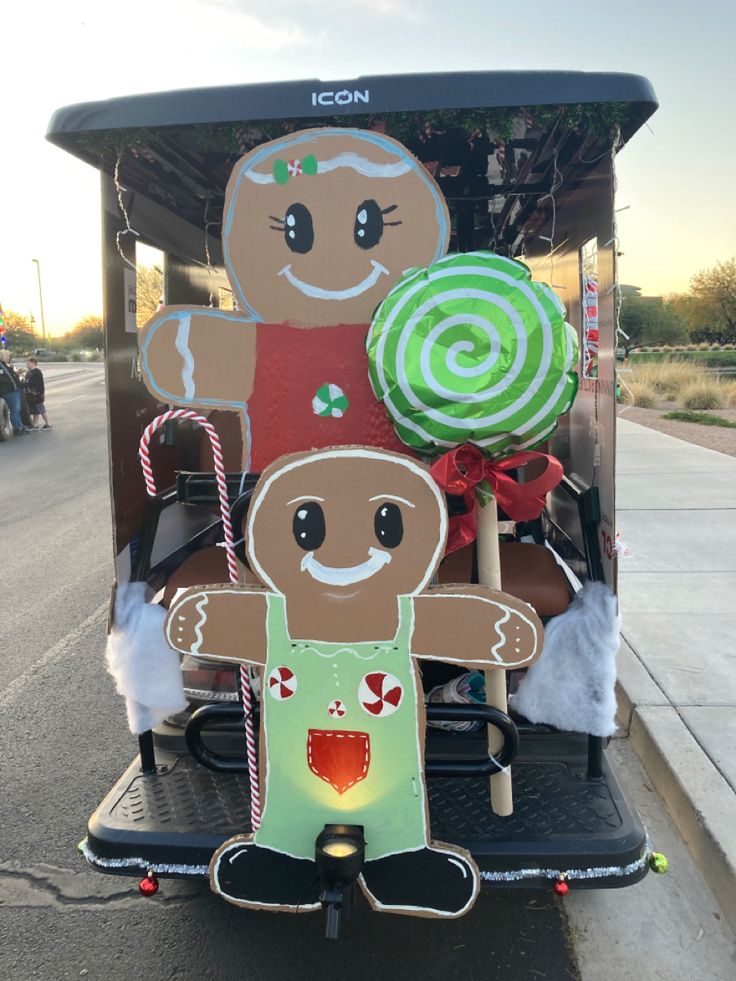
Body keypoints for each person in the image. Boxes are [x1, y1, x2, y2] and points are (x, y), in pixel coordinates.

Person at [0, 350, 27, 435]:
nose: (9, 357)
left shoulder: (5, 365)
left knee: (17, 410)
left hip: (13, 390)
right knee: (15, 410)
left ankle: (20, 426)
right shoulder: (1, 366)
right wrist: (11, 382)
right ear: (3, 356)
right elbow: (3, 378)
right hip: (9, 391)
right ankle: (17, 428)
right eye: (8, 356)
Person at [24, 357, 52, 430]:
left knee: (41, 409)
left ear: (33, 363)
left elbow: (38, 384)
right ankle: (35, 424)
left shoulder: (37, 372)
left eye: (28, 363)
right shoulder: (29, 372)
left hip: (37, 395)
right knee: (35, 411)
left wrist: (36, 393)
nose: (26, 365)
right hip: (31, 395)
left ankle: (48, 424)